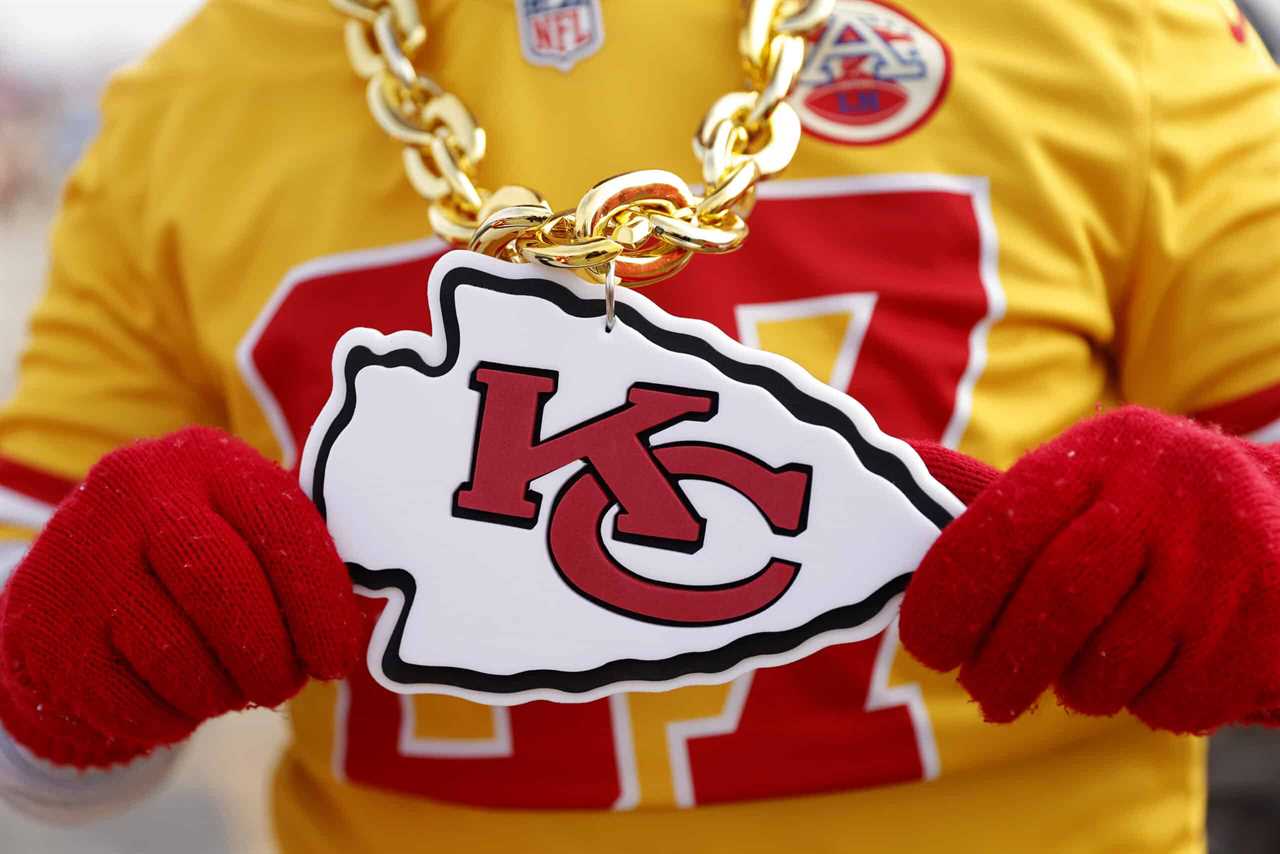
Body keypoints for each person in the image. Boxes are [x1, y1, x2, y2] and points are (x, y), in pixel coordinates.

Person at [2, 0, 1280, 851]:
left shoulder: (1111, 22)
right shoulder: (183, 99)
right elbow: (34, 753)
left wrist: (1250, 563)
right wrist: (61, 660)